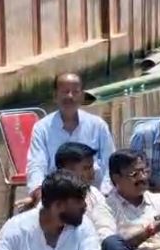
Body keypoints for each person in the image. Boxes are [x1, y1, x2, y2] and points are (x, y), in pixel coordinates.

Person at [25, 73, 116, 204]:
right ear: (55, 96)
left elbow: (110, 163)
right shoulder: (42, 128)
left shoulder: (98, 125)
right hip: (56, 197)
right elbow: (36, 165)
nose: (70, 96)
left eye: (75, 92)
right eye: (65, 92)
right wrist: (39, 194)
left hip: (95, 194)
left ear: (83, 96)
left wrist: (105, 194)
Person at [15, 142, 116, 241]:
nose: (92, 172)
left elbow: (106, 227)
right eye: (86, 168)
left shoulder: (93, 194)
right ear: (67, 171)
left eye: (91, 167)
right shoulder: (51, 199)